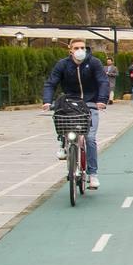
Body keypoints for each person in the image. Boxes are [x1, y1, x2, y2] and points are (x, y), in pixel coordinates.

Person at [42, 39, 109, 189]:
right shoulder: (63, 64)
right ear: (70, 50)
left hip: (90, 103)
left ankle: (93, 175)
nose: (80, 50)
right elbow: (51, 83)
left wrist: (102, 100)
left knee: (90, 138)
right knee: (61, 120)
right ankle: (63, 144)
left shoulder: (94, 63)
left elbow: (103, 81)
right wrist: (47, 101)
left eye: (82, 47)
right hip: (70, 102)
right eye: (76, 48)